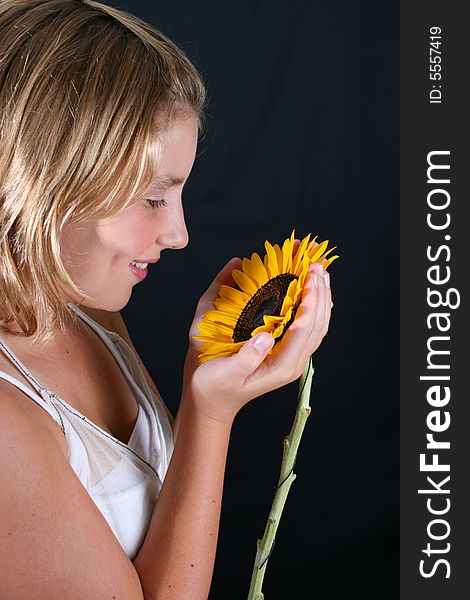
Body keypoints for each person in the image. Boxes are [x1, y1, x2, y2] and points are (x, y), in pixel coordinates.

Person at [0, 1, 333, 598]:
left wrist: (205, 385)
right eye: (153, 197)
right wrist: (213, 415)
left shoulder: (85, 305)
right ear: (42, 182)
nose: (177, 235)